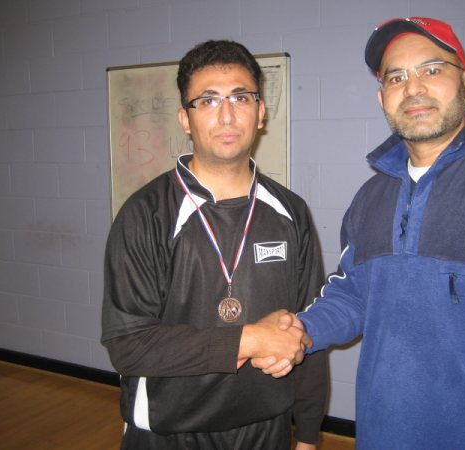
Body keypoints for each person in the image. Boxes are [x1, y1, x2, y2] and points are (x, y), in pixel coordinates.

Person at [258, 16, 465, 450]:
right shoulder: (370, 198)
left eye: (432, 69)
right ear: (382, 96)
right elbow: (353, 295)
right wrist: (299, 332)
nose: (413, 87)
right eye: (396, 76)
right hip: (383, 435)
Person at [101, 39, 327, 450]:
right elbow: (127, 345)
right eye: (207, 101)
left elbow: (309, 325)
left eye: (240, 97)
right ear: (185, 119)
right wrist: (250, 340)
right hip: (169, 433)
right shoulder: (145, 214)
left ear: (260, 112)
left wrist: (308, 433)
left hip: (267, 428)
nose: (226, 114)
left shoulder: (291, 211)